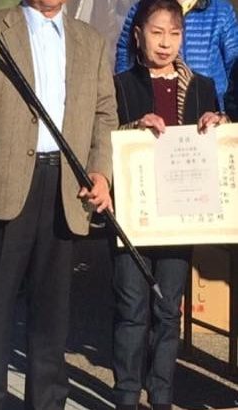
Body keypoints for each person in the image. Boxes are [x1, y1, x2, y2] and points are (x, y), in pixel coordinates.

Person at [0, 0, 117, 408]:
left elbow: (104, 113)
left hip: (65, 185)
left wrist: (101, 171)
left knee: (52, 316)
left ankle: (47, 402)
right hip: (0, 181)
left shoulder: (89, 40)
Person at [112, 1, 226, 409]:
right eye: (157, 33)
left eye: (174, 34)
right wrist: (133, 128)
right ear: (139, 34)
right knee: (130, 309)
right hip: (134, 217)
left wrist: (219, 124)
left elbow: (220, 147)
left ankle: (161, 394)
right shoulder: (120, 84)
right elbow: (106, 139)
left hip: (179, 219)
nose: (165, 43)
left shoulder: (203, 87)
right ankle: (126, 394)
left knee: (166, 311)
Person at [115, 0, 238, 110]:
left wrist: (225, 114)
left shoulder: (221, 11)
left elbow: (234, 66)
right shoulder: (142, 8)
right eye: (157, 32)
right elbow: (125, 58)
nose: (165, 43)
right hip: (148, 110)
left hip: (208, 114)